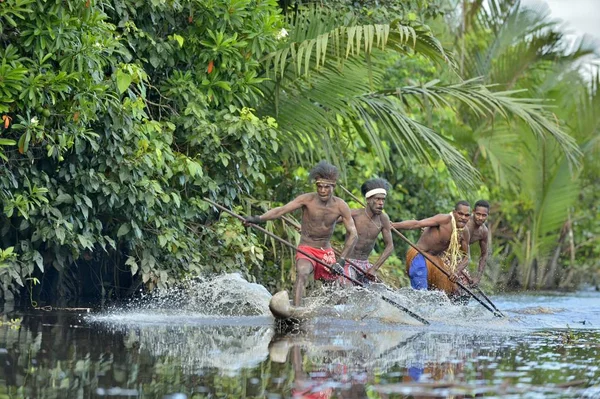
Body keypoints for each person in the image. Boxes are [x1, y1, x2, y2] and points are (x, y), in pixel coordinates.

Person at [244, 161, 358, 306]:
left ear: (333, 186)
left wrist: (341, 261)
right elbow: (281, 211)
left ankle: (333, 311)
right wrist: (257, 219)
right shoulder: (307, 199)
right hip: (306, 247)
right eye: (319, 186)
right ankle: (296, 312)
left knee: (334, 286)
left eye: (326, 187)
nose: (322, 190)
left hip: (325, 252)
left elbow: (353, 233)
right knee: (302, 273)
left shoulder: (341, 205)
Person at [391, 201, 471, 300]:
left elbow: (466, 257)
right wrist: (394, 225)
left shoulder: (464, 232)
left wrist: (456, 271)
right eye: (460, 214)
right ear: (454, 212)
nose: (463, 217)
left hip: (436, 262)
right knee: (421, 293)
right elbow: (417, 223)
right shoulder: (444, 219)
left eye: (466, 215)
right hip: (420, 255)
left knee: (450, 293)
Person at [339, 178, 394, 285]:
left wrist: (374, 268)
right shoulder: (354, 214)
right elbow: (329, 222)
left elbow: (390, 246)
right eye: (377, 199)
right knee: (347, 289)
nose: (381, 203)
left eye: (383, 200)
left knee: (377, 291)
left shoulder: (383, 219)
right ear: (368, 200)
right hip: (348, 262)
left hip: (366, 265)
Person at [465, 200, 490, 287]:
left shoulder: (484, 231)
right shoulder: (464, 221)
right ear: (473, 212)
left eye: (484, 215)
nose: (480, 218)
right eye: (478, 214)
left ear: (487, 216)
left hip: (462, 258)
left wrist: (478, 277)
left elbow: (484, 254)